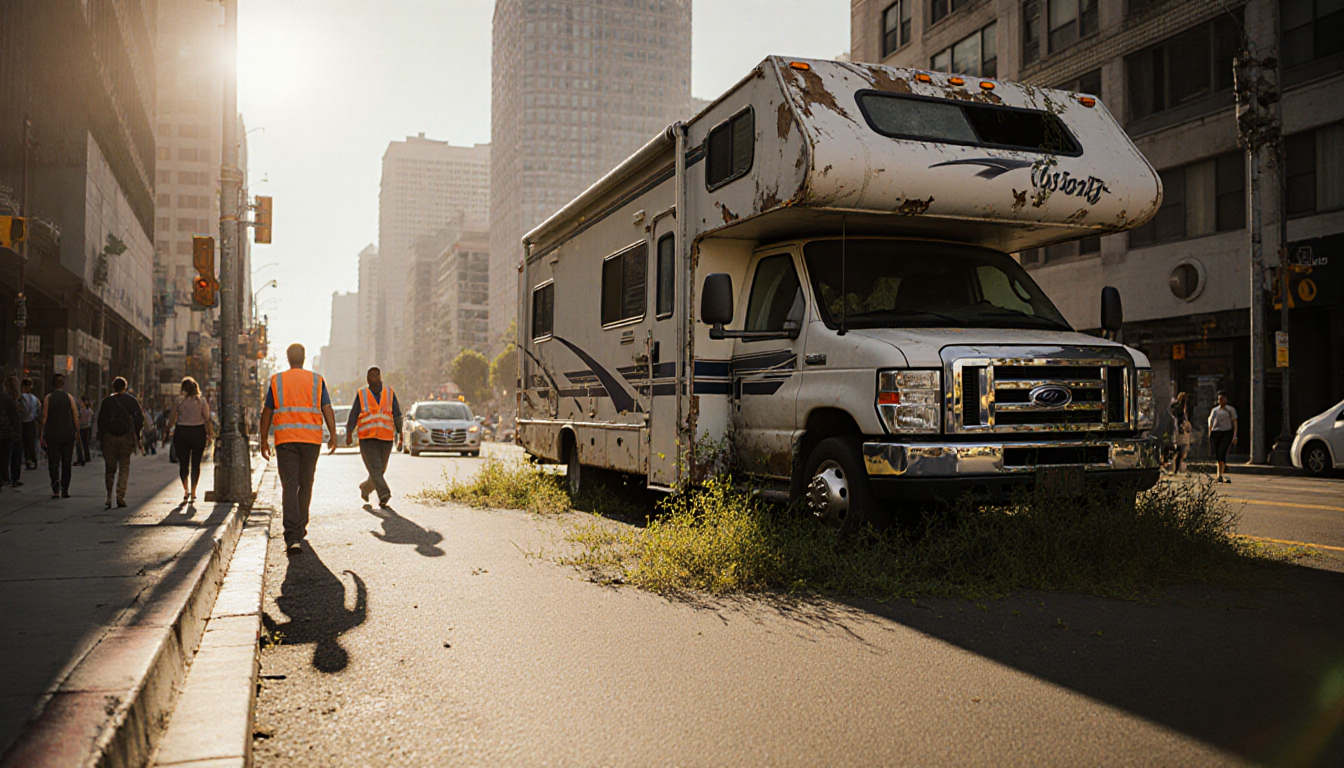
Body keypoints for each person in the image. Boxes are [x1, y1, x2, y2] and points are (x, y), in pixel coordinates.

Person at [259, 343, 337, 553]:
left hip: (285, 440)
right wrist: (333, 434)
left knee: (290, 486)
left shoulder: (278, 381)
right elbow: (326, 408)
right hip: (311, 440)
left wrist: (264, 440)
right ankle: (300, 527)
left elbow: (267, 412)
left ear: (288, 357)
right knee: (306, 483)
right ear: (303, 358)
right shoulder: (316, 380)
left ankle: (292, 535)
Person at [345, 366, 403, 507]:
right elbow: (354, 414)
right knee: (375, 468)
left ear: (379, 377)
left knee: (380, 470)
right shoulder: (362, 394)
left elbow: (397, 413)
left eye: (374, 377)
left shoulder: (389, 393)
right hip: (367, 437)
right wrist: (349, 432)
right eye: (369, 377)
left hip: (386, 437)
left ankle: (365, 488)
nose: (371, 380)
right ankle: (384, 494)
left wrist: (400, 433)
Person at [98, 377, 144, 508]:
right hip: (126, 438)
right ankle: (120, 495)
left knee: (110, 468)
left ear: (113, 388)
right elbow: (139, 419)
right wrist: (136, 435)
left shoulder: (106, 402)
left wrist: (101, 438)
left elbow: (101, 421)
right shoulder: (131, 401)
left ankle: (108, 496)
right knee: (124, 467)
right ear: (125, 387)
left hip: (109, 438)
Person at [166, 377, 213, 502]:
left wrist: (167, 430)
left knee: (183, 463)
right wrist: (211, 434)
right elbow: (207, 418)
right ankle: (193, 491)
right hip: (198, 432)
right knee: (196, 464)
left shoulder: (178, 401)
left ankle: (185, 490)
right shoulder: (201, 401)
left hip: (182, 432)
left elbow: (172, 418)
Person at [40, 374, 81, 499]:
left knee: (53, 461)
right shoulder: (69, 398)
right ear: (63, 385)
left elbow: (45, 417)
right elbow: (75, 416)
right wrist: (77, 432)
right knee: (66, 462)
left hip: (53, 434)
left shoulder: (48, 398)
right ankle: (65, 488)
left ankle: (56, 488)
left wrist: (42, 433)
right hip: (68, 434)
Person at [1207, 391, 1238, 484]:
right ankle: (1219, 474)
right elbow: (1211, 421)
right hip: (1216, 432)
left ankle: (1220, 474)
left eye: (1222, 398)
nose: (1221, 400)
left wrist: (1234, 435)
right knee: (1217, 454)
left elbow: (1234, 422)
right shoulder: (1215, 410)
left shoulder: (1230, 410)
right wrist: (1210, 432)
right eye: (1219, 399)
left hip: (1226, 433)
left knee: (1222, 452)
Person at [0, 379, 20, 489]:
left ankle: (4, 476)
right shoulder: (6, 399)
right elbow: (14, 416)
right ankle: (4, 476)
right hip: (6, 433)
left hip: (5, 432)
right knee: (4, 455)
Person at [18, 378, 40, 470]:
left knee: (24, 442)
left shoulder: (21, 398)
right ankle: (33, 459)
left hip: (23, 422)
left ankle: (27, 459)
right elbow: (38, 411)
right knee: (31, 442)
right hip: (32, 422)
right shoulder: (35, 399)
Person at [1169, 391, 1190, 475]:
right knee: (1180, 449)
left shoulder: (1178, 407)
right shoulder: (1179, 408)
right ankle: (1175, 468)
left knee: (1180, 449)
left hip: (1180, 430)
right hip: (1180, 430)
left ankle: (1176, 468)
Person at [76, 396, 94, 466]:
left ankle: (83, 458)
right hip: (86, 427)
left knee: (82, 443)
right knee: (84, 443)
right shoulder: (86, 410)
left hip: (83, 427)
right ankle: (85, 457)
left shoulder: (85, 410)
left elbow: (82, 419)